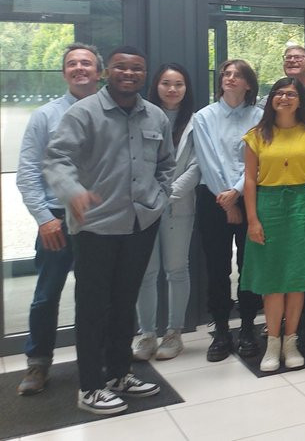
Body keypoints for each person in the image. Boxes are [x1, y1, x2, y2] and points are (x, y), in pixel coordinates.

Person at [43, 46, 173, 415]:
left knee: (124, 302)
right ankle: (90, 386)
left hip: (139, 224)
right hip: (95, 226)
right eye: (121, 67)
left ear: (144, 74)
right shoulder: (83, 113)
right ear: (106, 72)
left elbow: (166, 163)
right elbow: (56, 159)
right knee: (92, 308)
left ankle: (119, 374)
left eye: (137, 68)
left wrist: (159, 197)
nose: (129, 73)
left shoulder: (156, 116)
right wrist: (73, 192)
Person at [15, 43, 102, 396]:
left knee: (96, 295)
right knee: (46, 295)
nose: (79, 68)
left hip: (100, 219)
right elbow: (27, 172)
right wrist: (43, 218)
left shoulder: (111, 112)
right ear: (64, 72)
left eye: (86, 63)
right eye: (72, 63)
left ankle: (96, 359)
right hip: (56, 220)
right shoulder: (45, 116)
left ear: (99, 72)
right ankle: (38, 362)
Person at [242, 78, 305, 371]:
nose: (285, 98)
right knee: (272, 281)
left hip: (303, 205)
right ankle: (273, 342)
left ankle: (291, 341)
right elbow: (249, 180)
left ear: (300, 100)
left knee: (297, 279)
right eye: (279, 93)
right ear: (271, 99)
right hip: (268, 207)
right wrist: (252, 219)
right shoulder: (256, 135)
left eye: (291, 94)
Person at [191, 59, 263, 361]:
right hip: (213, 198)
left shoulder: (260, 117)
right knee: (217, 268)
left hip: (250, 196)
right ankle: (221, 331)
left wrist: (237, 193)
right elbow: (207, 160)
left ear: (248, 84)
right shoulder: (203, 116)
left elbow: (260, 160)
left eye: (238, 75)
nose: (230, 78)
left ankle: (247, 328)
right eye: (226, 74)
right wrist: (227, 198)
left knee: (250, 266)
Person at [133, 64, 200, 361]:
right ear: (156, 86)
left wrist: (168, 193)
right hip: (143, 206)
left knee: (176, 269)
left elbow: (197, 165)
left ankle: (174, 333)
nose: (172, 89)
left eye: (179, 84)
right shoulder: (141, 116)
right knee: (146, 272)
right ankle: (147, 334)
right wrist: (152, 196)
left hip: (178, 205)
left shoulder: (196, 121)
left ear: (186, 88)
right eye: (166, 83)